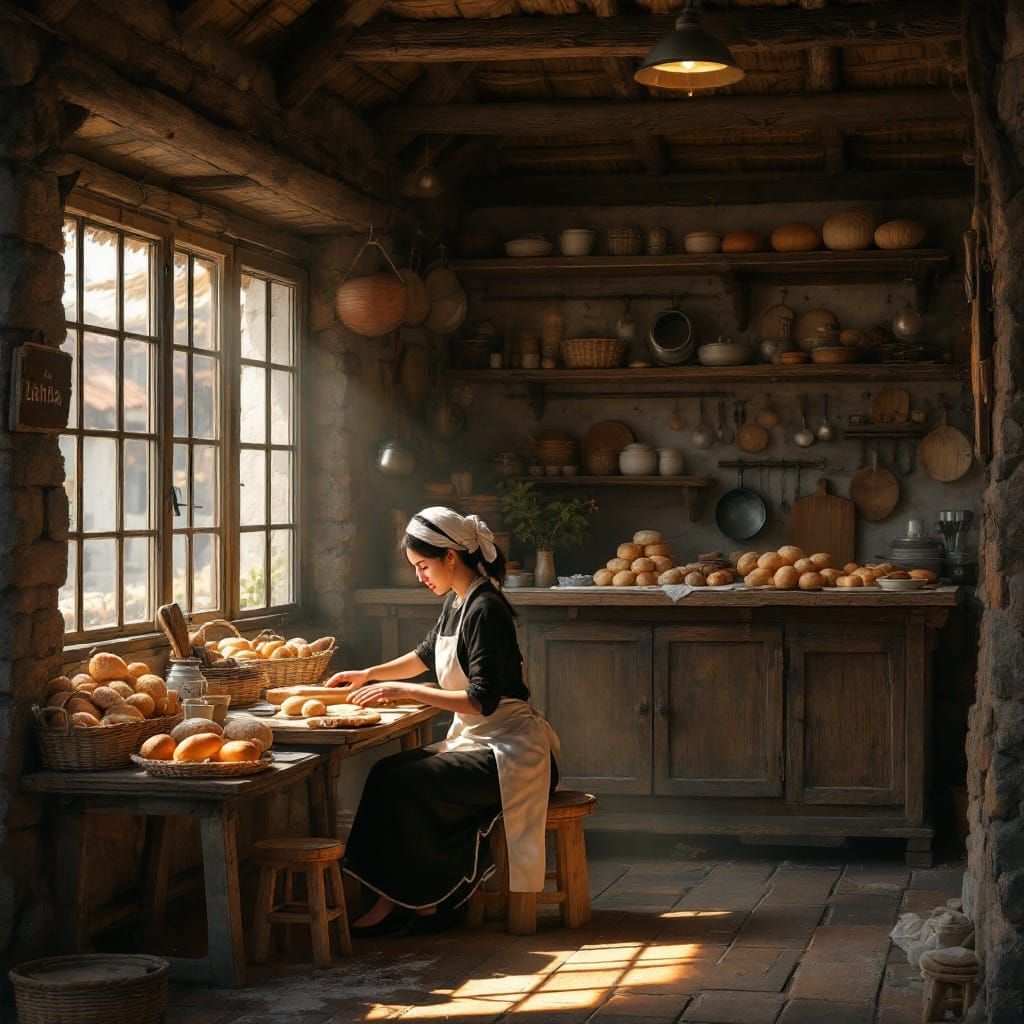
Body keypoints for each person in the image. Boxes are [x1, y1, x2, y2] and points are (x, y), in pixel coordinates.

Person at [327, 506, 560, 936]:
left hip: (510, 753)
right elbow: (424, 655)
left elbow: (481, 700)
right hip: (479, 742)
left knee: (405, 783)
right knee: (386, 773)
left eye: (424, 565)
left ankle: (425, 901)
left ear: (451, 557)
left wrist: (406, 692)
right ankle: (405, 898)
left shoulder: (485, 610)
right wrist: (370, 673)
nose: (420, 576)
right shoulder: (458, 601)